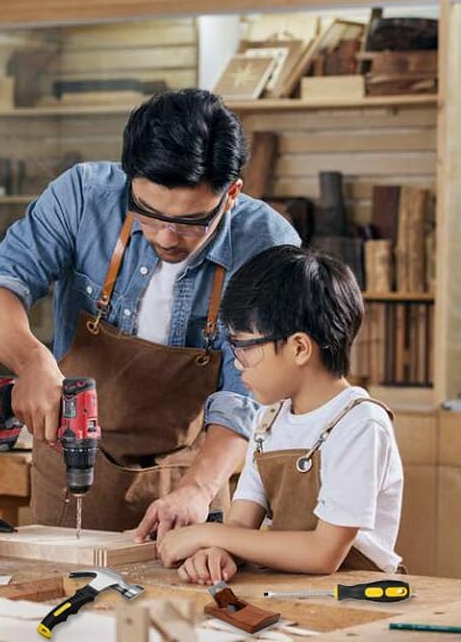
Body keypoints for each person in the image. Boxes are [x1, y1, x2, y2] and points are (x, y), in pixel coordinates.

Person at [0, 89, 300, 538]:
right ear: (129, 179)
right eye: (149, 214)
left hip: (193, 472)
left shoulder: (266, 244)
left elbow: (248, 397)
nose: (166, 237)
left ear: (231, 193)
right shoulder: (83, 196)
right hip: (70, 463)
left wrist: (198, 488)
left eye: (191, 222)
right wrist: (32, 361)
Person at [156, 245, 404, 582]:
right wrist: (218, 554)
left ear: (299, 348)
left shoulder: (360, 424)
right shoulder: (268, 419)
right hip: (287, 589)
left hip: (355, 594)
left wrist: (206, 534)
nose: (237, 364)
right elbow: (240, 525)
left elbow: (323, 554)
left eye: (244, 348)